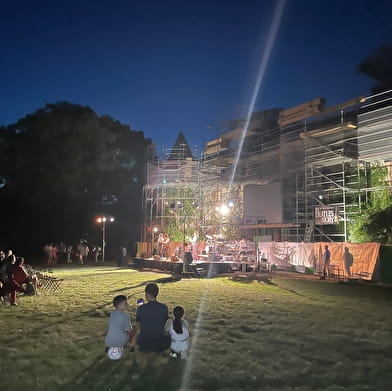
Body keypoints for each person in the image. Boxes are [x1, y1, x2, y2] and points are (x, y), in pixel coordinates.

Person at [135, 283, 171, 353]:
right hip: (161, 345)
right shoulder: (164, 307)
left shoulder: (141, 309)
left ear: (147, 294)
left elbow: (138, 327)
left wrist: (140, 308)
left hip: (144, 345)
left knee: (133, 330)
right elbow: (164, 326)